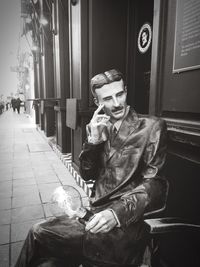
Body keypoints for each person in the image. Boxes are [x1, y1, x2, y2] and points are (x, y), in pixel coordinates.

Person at [15, 69, 167, 267]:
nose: (117, 103)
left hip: (124, 224)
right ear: (97, 103)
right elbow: (87, 174)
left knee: (37, 233)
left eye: (120, 94)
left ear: (126, 91)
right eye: (108, 98)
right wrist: (94, 141)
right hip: (92, 216)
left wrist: (116, 213)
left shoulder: (151, 127)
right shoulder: (97, 127)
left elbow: (155, 185)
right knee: (45, 262)